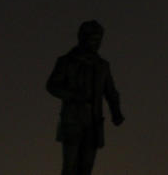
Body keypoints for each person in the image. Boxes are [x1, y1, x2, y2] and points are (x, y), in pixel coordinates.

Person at [47, 20, 125, 175]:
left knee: (86, 167)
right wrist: (74, 95)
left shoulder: (102, 66)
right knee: (70, 167)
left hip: (93, 123)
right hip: (72, 121)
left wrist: (116, 112)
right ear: (82, 38)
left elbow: (111, 92)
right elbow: (52, 86)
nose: (96, 43)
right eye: (93, 39)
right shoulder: (66, 62)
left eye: (98, 40)